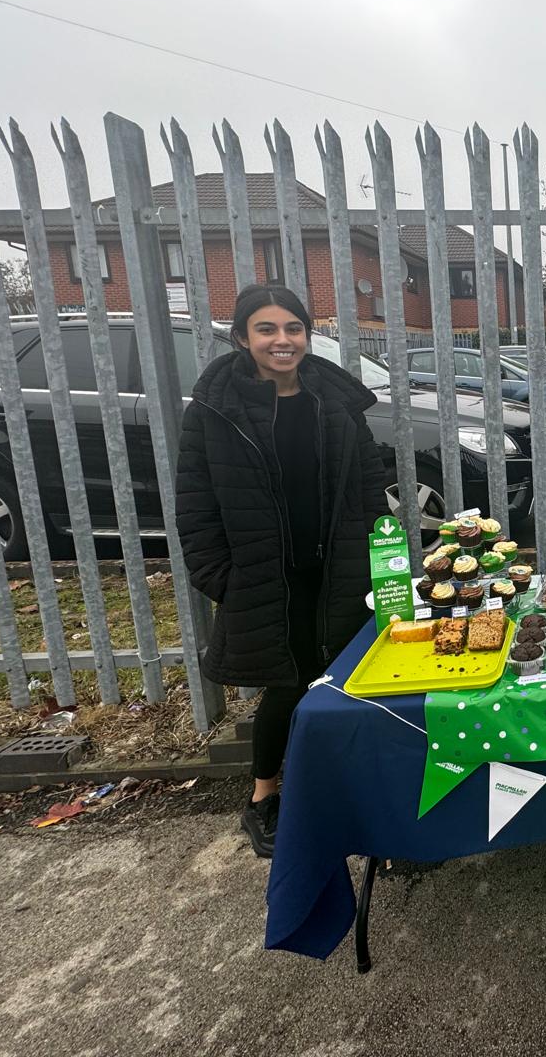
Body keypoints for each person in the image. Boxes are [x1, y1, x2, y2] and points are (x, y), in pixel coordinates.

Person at [175, 284, 388, 857]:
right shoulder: (216, 412)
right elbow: (195, 507)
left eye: (292, 328)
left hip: (341, 571)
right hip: (267, 578)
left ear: (307, 334)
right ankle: (263, 798)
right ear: (242, 337)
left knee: (347, 681)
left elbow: (370, 486)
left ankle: (347, 790)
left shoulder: (336, 404)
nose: (282, 340)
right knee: (287, 685)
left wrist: (380, 557)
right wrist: (225, 579)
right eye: (266, 329)